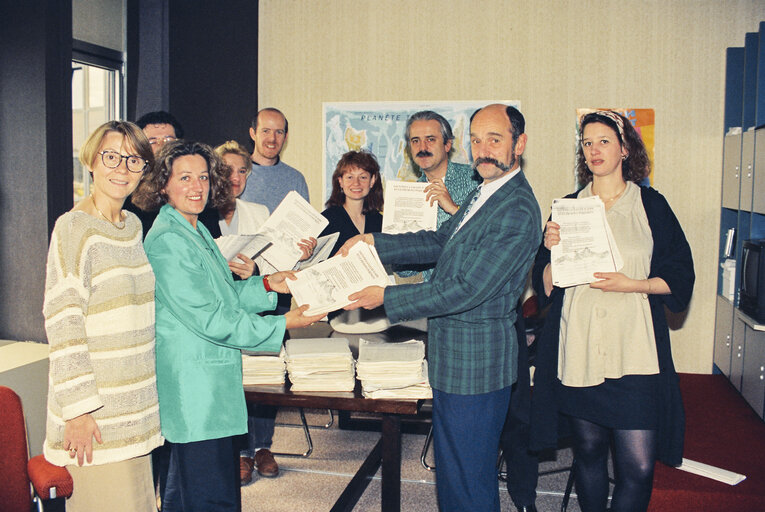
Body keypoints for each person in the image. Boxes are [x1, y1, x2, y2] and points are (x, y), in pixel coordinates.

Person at [340, 104, 541, 512]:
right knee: (454, 472)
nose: (483, 150)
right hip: (455, 357)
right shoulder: (486, 190)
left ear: (519, 144)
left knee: (468, 479)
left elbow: (468, 288)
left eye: (495, 140)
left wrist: (388, 298)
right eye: (477, 139)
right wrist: (377, 243)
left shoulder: (517, 208)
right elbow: (438, 241)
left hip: (477, 364)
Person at [131, 140, 323, 511]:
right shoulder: (168, 241)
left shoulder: (194, 229)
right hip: (195, 391)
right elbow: (211, 317)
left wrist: (268, 284)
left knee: (187, 494)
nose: (197, 186)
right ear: (163, 185)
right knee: (210, 497)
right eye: (184, 177)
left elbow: (223, 296)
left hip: (210, 383)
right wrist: (283, 323)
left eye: (203, 176)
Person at [530, 110, 694, 512]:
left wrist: (632, 284)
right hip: (581, 346)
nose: (594, 150)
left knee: (637, 466)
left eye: (603, 141)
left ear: (624, 149)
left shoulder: (651, 205)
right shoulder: (567, 208)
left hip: (635, 350)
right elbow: (546, 285)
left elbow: (681, 275)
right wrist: (549, 250)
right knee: (587, 453)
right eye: (587, 143)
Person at [42, 121, 161, 512]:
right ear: (92, 161)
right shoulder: (74, 228)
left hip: (136, 408)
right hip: (96, 416)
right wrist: (78, 410)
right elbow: (64, 322)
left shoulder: (132, 226)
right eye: (111, 156)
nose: (121, 168)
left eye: (133, 160)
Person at [211, 140, 315, 485]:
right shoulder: (198, 214)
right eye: (227, 170)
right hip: (216, 311)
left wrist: (267, 266)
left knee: (264, 376)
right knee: (234, 382)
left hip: (255, 301)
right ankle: (240, 451)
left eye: (243, 170)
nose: (235, 177)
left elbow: (271, 264)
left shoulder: (257, 211)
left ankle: (262, 448)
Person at [396, 110, 479, 280]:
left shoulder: (477, 180)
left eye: (430, 140)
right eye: (415, 141)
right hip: (433, 298)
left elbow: (490, 239)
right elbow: (404, 272)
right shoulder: (410, 196)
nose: (423, 148)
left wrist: (455, 209)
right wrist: (400, 242)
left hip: (475, 292)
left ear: (447, 145)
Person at [239, 107, 309, 213]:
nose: (272, 139)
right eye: (266, 131)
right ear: (253, 134)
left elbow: (305, 225)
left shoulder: (296, 180)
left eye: (279, 132)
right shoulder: (236, 174)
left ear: (285, 137)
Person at [319, 150, 384, 257]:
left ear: (372, 181)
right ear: (340, 181)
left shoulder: (379, 221)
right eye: (350, 177)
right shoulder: (326, 221)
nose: (356, 183)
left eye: (363, 177)